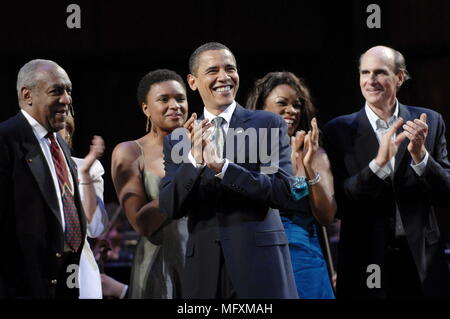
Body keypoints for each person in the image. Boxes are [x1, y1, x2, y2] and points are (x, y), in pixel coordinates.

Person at [159, 42, 298, 299]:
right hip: (205, 273)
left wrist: (224, 168)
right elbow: (169, 207)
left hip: (260, 268)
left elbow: (282, 192)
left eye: (230, 69)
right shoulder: (180, 140)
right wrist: (194, 161)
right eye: (213, 70)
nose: (224, 77)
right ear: (192, 81)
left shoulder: (266, 124)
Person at [323, 45, 450, 298]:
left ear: (399, 77)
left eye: (380, 72)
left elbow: (446, 193)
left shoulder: (430, 121)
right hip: (365, 257)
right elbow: (341, 203)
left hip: (421, 258)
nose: (370, 81)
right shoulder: (337, 130)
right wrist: (378, 165)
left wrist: (420, 157)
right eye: (365, 72)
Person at [0, 59, 86, 298]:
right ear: (27, 95)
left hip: (65, 283)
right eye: (56, 91)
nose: (67, 100)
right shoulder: (6, 140)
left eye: (68, 91)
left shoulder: (59, 142)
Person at [246, 71, 336, 298]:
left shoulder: (315, 154)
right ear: (262, 108)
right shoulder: (247, 152)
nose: (292, 111)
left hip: (305, 257)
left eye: (297, 105)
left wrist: (307, 167)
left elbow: (326, 216)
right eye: (282, 103)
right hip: (263, 254)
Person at [111, 69, 189, 299]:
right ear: (146, 108)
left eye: (180, 98)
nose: (175, 105)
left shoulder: (205, 145)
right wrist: (189, 168)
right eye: (164, 99)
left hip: (204, 263)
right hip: (160, 268)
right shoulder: (130, 152)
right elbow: (142, 222)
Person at [60, 113, 108, 298]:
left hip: (79, 270)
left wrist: (85, 174)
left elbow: (95, 229)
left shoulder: (86, 167)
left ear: (67, 135)